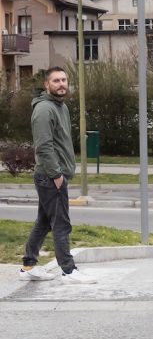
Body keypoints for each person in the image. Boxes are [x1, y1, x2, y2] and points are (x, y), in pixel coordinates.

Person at [20, 67, 96, 284]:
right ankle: (69, 271)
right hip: (50, 176)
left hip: (53, 175)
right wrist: (56, 175)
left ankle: (28, 265)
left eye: (64, 80)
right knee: (61, 223)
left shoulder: (60, 107)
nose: (61, 84)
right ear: (47, 85)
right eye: (56, 81)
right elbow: (44, 146)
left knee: (44, 222)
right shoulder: (44, 109)